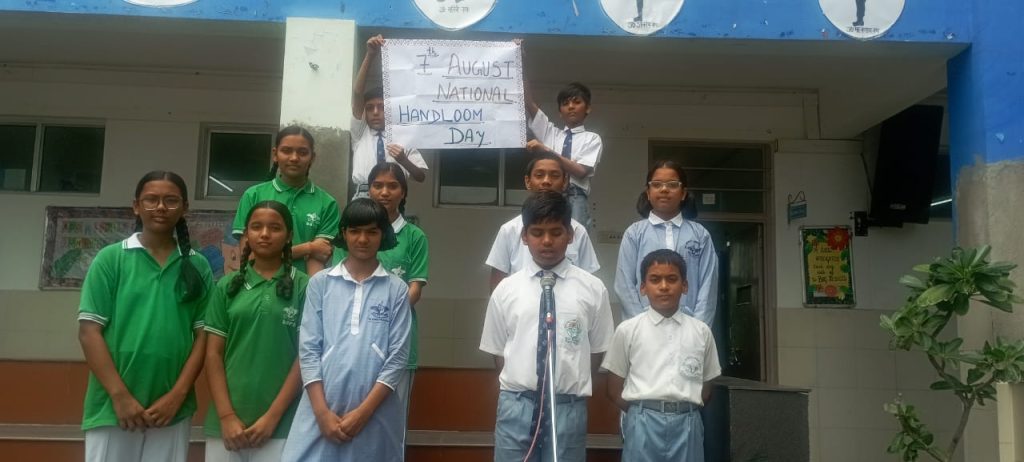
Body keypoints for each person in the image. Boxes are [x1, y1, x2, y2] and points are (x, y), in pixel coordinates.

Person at [78, 170, 212, 462]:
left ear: (185, 208)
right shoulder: (111, 259)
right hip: (113, 407)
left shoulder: (197, 266)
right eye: (151, 200)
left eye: (170, 200)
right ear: (136, 206)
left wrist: (177, 395)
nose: (161, 207)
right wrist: (120, 396)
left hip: (171, 410)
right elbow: (89, 332)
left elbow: (204, 336)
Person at [479, 190, 615, 462]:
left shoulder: (592, 289)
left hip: (567, 406)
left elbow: (598, 350)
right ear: (524, 236)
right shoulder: (506, 290)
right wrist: (526, 388)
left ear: (571, 234)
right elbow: (497, 351)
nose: (547, 241)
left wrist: (565, 384)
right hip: (517, 404)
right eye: (537, 232)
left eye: (556, 232)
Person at [282, 199, 412, 462]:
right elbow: (308, 350)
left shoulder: (396, 289)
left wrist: (363, 414)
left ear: (383, 235)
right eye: (354, 231)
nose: (362, 239)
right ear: (343, 234)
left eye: (372, 231)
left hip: (376, 414)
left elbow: (397, 359)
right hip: (321, 411)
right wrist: (321, 414)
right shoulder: (321, 283)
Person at [204, 200, 309, 462]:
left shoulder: (306, 287)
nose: (264, 234)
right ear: (246, 234)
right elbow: (213, 355)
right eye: (256, 227)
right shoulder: (227, 286)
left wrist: (272, 418)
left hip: (282, 425)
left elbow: (305, 358)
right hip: (226, 425)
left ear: (289, 236)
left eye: (274, 228)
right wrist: (227, 417)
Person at [602, 249, 721, 462]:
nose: (664, 286)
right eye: (655, 280)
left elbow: (706, 389)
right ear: (643, 287)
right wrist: (643, 412)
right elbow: (613, 389)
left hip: (688, 422)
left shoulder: (701, 331)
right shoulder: (628, 330)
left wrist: (683, 407)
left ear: (684, 286)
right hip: (643, 422)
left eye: (672, 279)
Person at [332, 162, 428, 411]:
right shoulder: (352, 230)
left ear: (403, 193)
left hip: (395, 336)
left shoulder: (415, 236)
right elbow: (337, 285)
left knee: (391, 423)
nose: (385, 192)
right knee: (347, 413)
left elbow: (414, 289)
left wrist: (381, 319)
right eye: (378, 185)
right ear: (369, 190)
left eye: (393, 186)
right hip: (349, 337)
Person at [614, 160, 718, 325]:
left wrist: (698, 327)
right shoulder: (634, 234)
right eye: (656, 184)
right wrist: (641, 325)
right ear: (648, 192)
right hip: (644, 327)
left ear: (683, 193)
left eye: (672, 184)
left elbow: (708, 286)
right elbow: (624, 284)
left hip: (689, 324)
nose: (664, 189)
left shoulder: (700, 235)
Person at [232, 126, 340, 275]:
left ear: (312, 158)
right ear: (275, 154)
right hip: (258, 287)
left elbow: (318, 258)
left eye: (302, 152)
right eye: (286, 151)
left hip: (303, 291)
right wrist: (308, 247)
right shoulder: (253, 195)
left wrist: (309, 296)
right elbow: (251, 257)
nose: (294, 158)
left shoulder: (327, 203)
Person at [485, 153, 600, 291]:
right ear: (528, 181)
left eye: (554, 175)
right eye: (539, 175)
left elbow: (589, 283)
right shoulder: (509, 230)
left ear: (565, 182)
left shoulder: (577, 231)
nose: (546, 181)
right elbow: (497, 288)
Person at [351, 34, 428, 199]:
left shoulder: (403, 137)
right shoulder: (360, 132)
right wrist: (370, 55)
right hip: (363, 195)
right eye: (370, 108)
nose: (376, 112)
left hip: (392, 196)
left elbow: (420, 176)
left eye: (382, 107)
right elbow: (358, 93)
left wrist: (403, 159)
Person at [524, 79, 603, 229]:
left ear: (588, 108)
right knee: (544, 236)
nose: (571, 107)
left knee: (574, 243)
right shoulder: (552, 134)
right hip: (548, 195)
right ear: (560, 112)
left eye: (576, 102)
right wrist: (519, 66)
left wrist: (547, 151)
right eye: (565, 104)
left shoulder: (592, 138)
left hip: (575, 197)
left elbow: (580, 171)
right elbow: (529, 103)